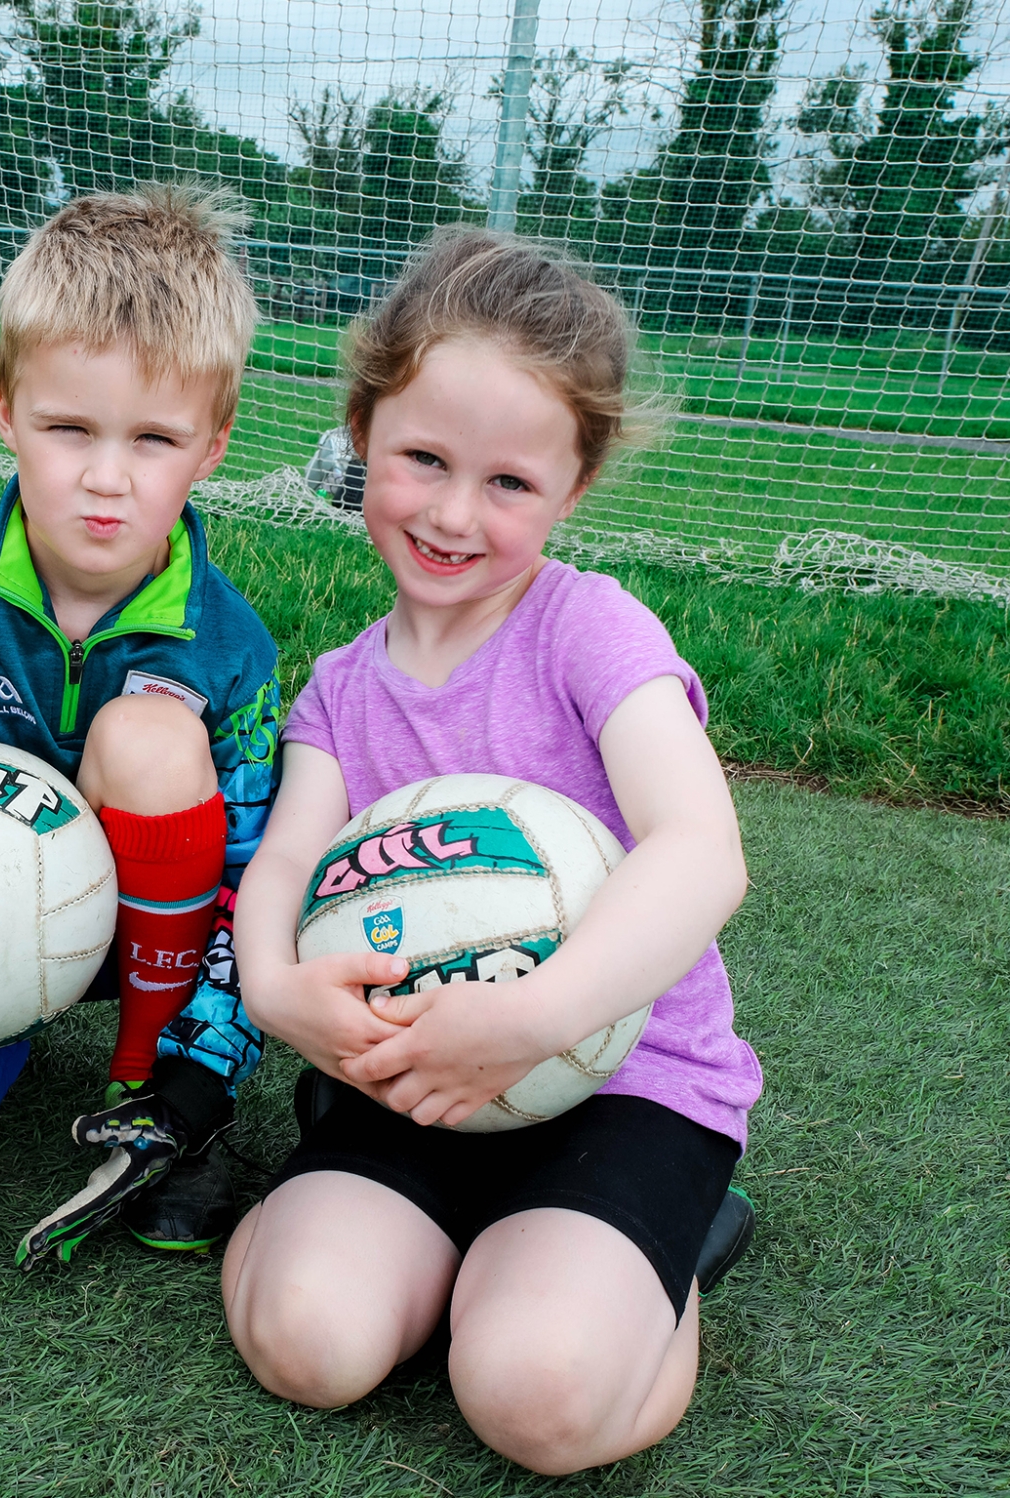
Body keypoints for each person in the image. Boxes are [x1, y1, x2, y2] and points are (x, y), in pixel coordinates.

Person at [222, 228, 763, 1474]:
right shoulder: (342, 692)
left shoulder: (593, 633)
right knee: (307, 1345)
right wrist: (272, 984)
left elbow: (700, 852)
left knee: (535, 1399)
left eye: (511, 483)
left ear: (572, 490)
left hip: (626, 1085)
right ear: (362, 435)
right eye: (422, 459)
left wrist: (533, 1019)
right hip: (403, 1078)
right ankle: (426, 1243)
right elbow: (287, 865)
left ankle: (659, 1257)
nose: (455, 514)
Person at [0, 184, 283, 1266]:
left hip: (150, 952)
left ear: (213, 443)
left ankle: (148, 1088)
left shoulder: (231, 650)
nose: (105, 478)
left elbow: (261, 878)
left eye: (154, 438)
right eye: (70, 427)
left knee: (150, 736)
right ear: (7, 407)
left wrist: (205, 1067)